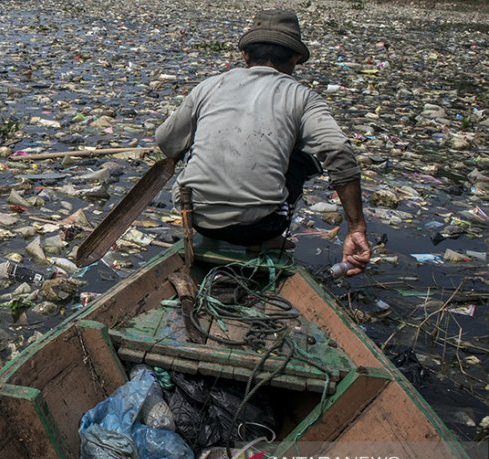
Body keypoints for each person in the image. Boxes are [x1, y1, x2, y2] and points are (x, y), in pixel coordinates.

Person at [155, 9, 371, 277]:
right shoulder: (302, 97)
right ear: (294, 59)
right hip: (259, 226)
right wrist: (356, 228)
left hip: (195, 217)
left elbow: (166, 142)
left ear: (245, 54)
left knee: (193, 143)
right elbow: (338, 151)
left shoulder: (210, 86)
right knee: (307, 157)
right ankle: (265, 237)